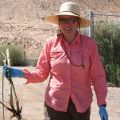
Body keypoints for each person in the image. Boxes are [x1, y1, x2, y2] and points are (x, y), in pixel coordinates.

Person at [3, 2, 108, 120]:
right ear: (59, 23)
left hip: (81, 107)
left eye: (71, 20)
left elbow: (98, 76)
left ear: (77, 22)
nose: (67, 24)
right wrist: (21, 73)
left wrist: (102, 104)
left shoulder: (89, 45)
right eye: (63, 20)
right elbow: (41, 74)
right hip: (55, 106)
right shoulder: (50, 44)